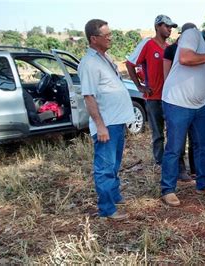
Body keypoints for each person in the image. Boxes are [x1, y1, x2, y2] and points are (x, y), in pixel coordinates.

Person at [160, 13, 205, 206]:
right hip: (177, 102)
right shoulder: (193, 34)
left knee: (204, 145)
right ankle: (168, 189)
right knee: (174, 147)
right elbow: (185, 58)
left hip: (200, 104)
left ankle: (204, 183)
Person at [78, 19, 135, 220]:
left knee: (114, 164)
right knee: (104, 167)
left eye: (110, 33)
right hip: (107, 124)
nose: (110, 37)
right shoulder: (89, 63)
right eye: (106, 35)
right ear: (94, 39)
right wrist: (100, 126)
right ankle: (107, 209)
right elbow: (89, 96)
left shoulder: (105, 57)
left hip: (116, 122)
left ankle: (114, 196)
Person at [125, 15, 180, 176]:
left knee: (172, 131)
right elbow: (130, 63)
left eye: (171, 27)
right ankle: (159, 162)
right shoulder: (148, 44)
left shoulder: (169, 47)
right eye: (167, 26)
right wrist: (139, 86)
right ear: (157, 26)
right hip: (153, 97)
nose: (170, 29)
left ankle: (171, 161)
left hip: (169, 97)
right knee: (158, 133)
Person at [163, 22, 198, 178]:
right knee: (178, 139)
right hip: (177, 99)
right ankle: (180, 169)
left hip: (194, 99)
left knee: (195, 138)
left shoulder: (197, 49)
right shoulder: (171, 50)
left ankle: (195, 169)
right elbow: (167, 75)